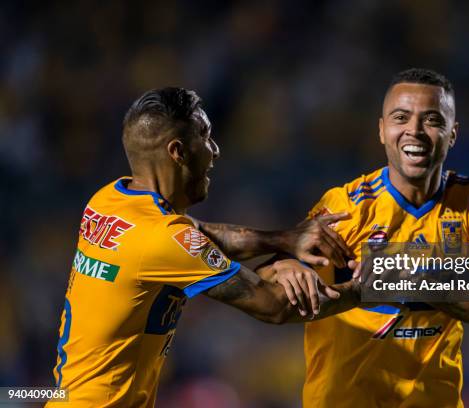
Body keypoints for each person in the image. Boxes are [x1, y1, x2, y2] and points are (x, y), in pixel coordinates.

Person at [48, 87, 362, 407]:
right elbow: (275, 305)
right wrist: (375, 284)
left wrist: (284, 240)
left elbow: (199, 235)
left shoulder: (107, 201)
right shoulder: (163, 239)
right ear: (178, 152)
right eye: (205, 136)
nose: (215, 151)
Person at [274, 68, 469, 407]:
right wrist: (283, 267)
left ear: (453, 134)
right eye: (400, 117)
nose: (414, 131)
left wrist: (414, 280)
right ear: (381, 130)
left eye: (431, 119)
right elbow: (272, 280)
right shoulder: (344, 206)